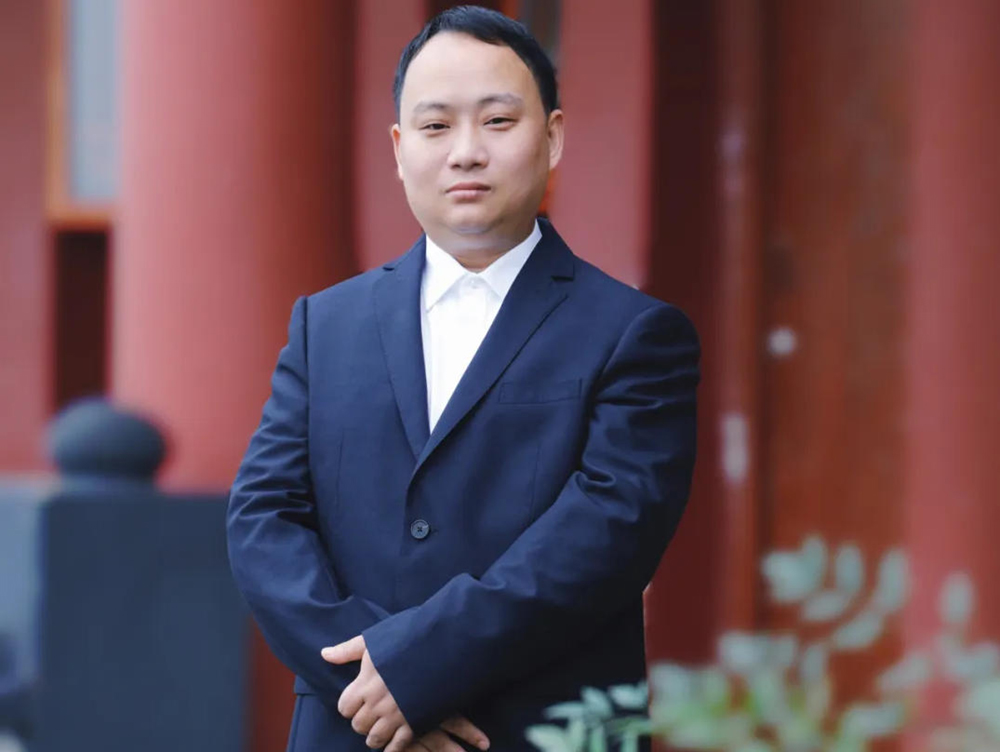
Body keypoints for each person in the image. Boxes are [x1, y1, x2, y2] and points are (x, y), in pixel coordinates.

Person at [227, 6, 700, 751]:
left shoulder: (634, 334)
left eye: (498, 121)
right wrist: (373, 686)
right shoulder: (327, 325)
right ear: (399, 148)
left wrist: (417, 669)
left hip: (537, 731)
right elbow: (263, 518)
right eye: (436, 125)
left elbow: (605, 537)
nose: (466, 152)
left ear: (552, 137)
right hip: (352, 730)